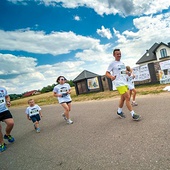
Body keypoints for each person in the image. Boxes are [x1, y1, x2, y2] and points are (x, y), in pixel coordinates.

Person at [105, 49, 140, 120]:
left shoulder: (122, 63)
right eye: (117, 54)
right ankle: (133, 114)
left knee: (123, 98)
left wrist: (128, 73)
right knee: (127, 97)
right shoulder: (112, 64)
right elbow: (107, 73)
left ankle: (119, 111)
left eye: (120, 54)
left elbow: (123, 72)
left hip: (125, 82)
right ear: (114, 55)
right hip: (118, 83)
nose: (119, 55)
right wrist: (111, 77)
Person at [0, 87, 15, 152]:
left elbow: (7, 96)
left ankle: (7, 135)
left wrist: (8, 101)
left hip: (4, 110)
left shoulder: (2, 89)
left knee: (11, 123)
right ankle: (2, 143)